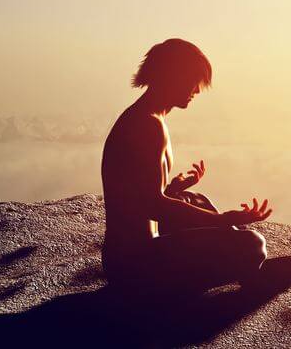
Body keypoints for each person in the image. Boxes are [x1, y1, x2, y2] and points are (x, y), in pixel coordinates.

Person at [100, 38, 274, 299]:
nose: (197, 90)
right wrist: (222, 220)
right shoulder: (147, 126)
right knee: (253, 245)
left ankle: (238, 260)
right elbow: (152, 206)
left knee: (194, 199)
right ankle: (247, 272)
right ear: (173, 77)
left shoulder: (148, 118)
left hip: (129, 259)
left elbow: (137, 198)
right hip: (135, 266)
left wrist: (175, 188)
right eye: (194, 80)